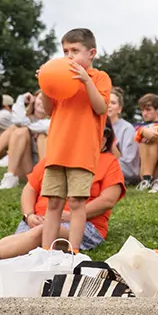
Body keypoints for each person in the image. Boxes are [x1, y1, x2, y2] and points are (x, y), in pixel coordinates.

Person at [0, 119, 125, 268]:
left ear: (104, 138)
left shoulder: (109, 162)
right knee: (25, 238)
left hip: (83, 225)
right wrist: (29, 215)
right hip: (39, 219)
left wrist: (69, 215)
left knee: (42, 232)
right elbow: (30, 188)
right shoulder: (55, 158)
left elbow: (108, 200)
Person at [38, 28, 112, 251]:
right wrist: (45, 85)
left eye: (75, 50)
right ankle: (46, 252)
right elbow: (49, 110)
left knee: (77, 203)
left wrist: (85, 81)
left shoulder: (99, 77)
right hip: (57, 151)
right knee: (54, 203)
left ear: (91, 53)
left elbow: (101, 107)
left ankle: (73, 250)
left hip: (82, 153)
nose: (69, 56)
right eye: (65, 51)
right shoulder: (60, 79)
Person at [0, 91, 51, 189]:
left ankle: (45, 177)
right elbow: (19, 122)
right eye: (40, 99)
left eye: (47, 100)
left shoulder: (53, 120)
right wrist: (21, 98)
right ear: (33, 100)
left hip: (41, 164)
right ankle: (10, 176)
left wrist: (23, 122)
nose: (42, 102)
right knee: (19, 130)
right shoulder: (26, 119)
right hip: (26, 167)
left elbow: (21, 121)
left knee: (39, 134)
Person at [107, 87, 140, 185]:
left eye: (113, 103)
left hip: (123, 173)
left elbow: (130, 168)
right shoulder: (94, 126)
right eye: (106, 102)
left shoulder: (127, 129)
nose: (109, 105)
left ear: (119, 109)